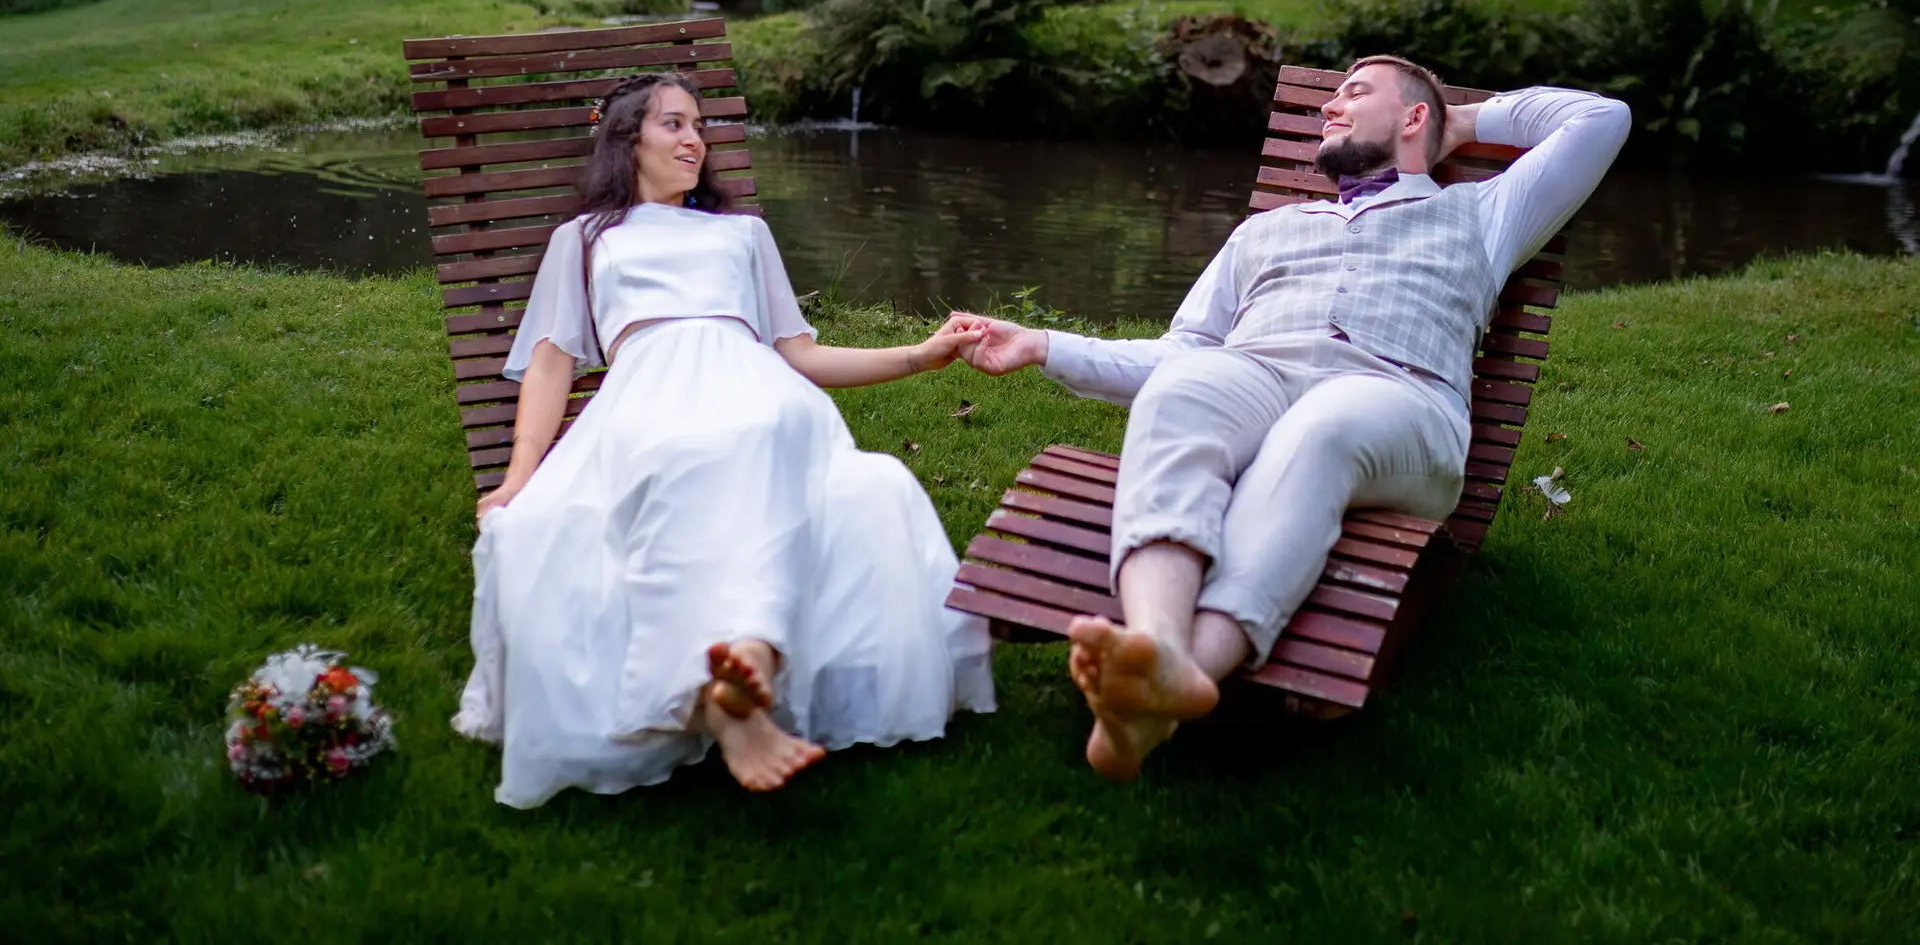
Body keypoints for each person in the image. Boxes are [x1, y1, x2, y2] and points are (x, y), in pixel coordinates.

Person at [949, 56, 1630, 782]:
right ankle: (1157, 654)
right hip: (1258, 376)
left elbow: (1600, 119)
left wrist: (1458, 119)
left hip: (1400, 403)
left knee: (1323, 426)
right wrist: (1045, 345)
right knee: (1183, 393)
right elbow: (1179, 353)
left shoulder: (1485, 213)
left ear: (1412, 118)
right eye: (1330, 96)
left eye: (1356, 92)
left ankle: (1190, 670)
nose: (1330, 106)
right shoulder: (1264, 232)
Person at [455, 71, 995, 808]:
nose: (695, 140)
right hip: (649, 396)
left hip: (760, 392)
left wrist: (918, 356)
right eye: (674, 124)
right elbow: (551, 366)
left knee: (761, 435)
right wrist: (520, 476)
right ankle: (738, 678)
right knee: (690, 454)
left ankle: (736, 678)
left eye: (699, 126)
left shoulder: (742, 235)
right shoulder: (583, 240)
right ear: (627, 139)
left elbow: (800, 355)